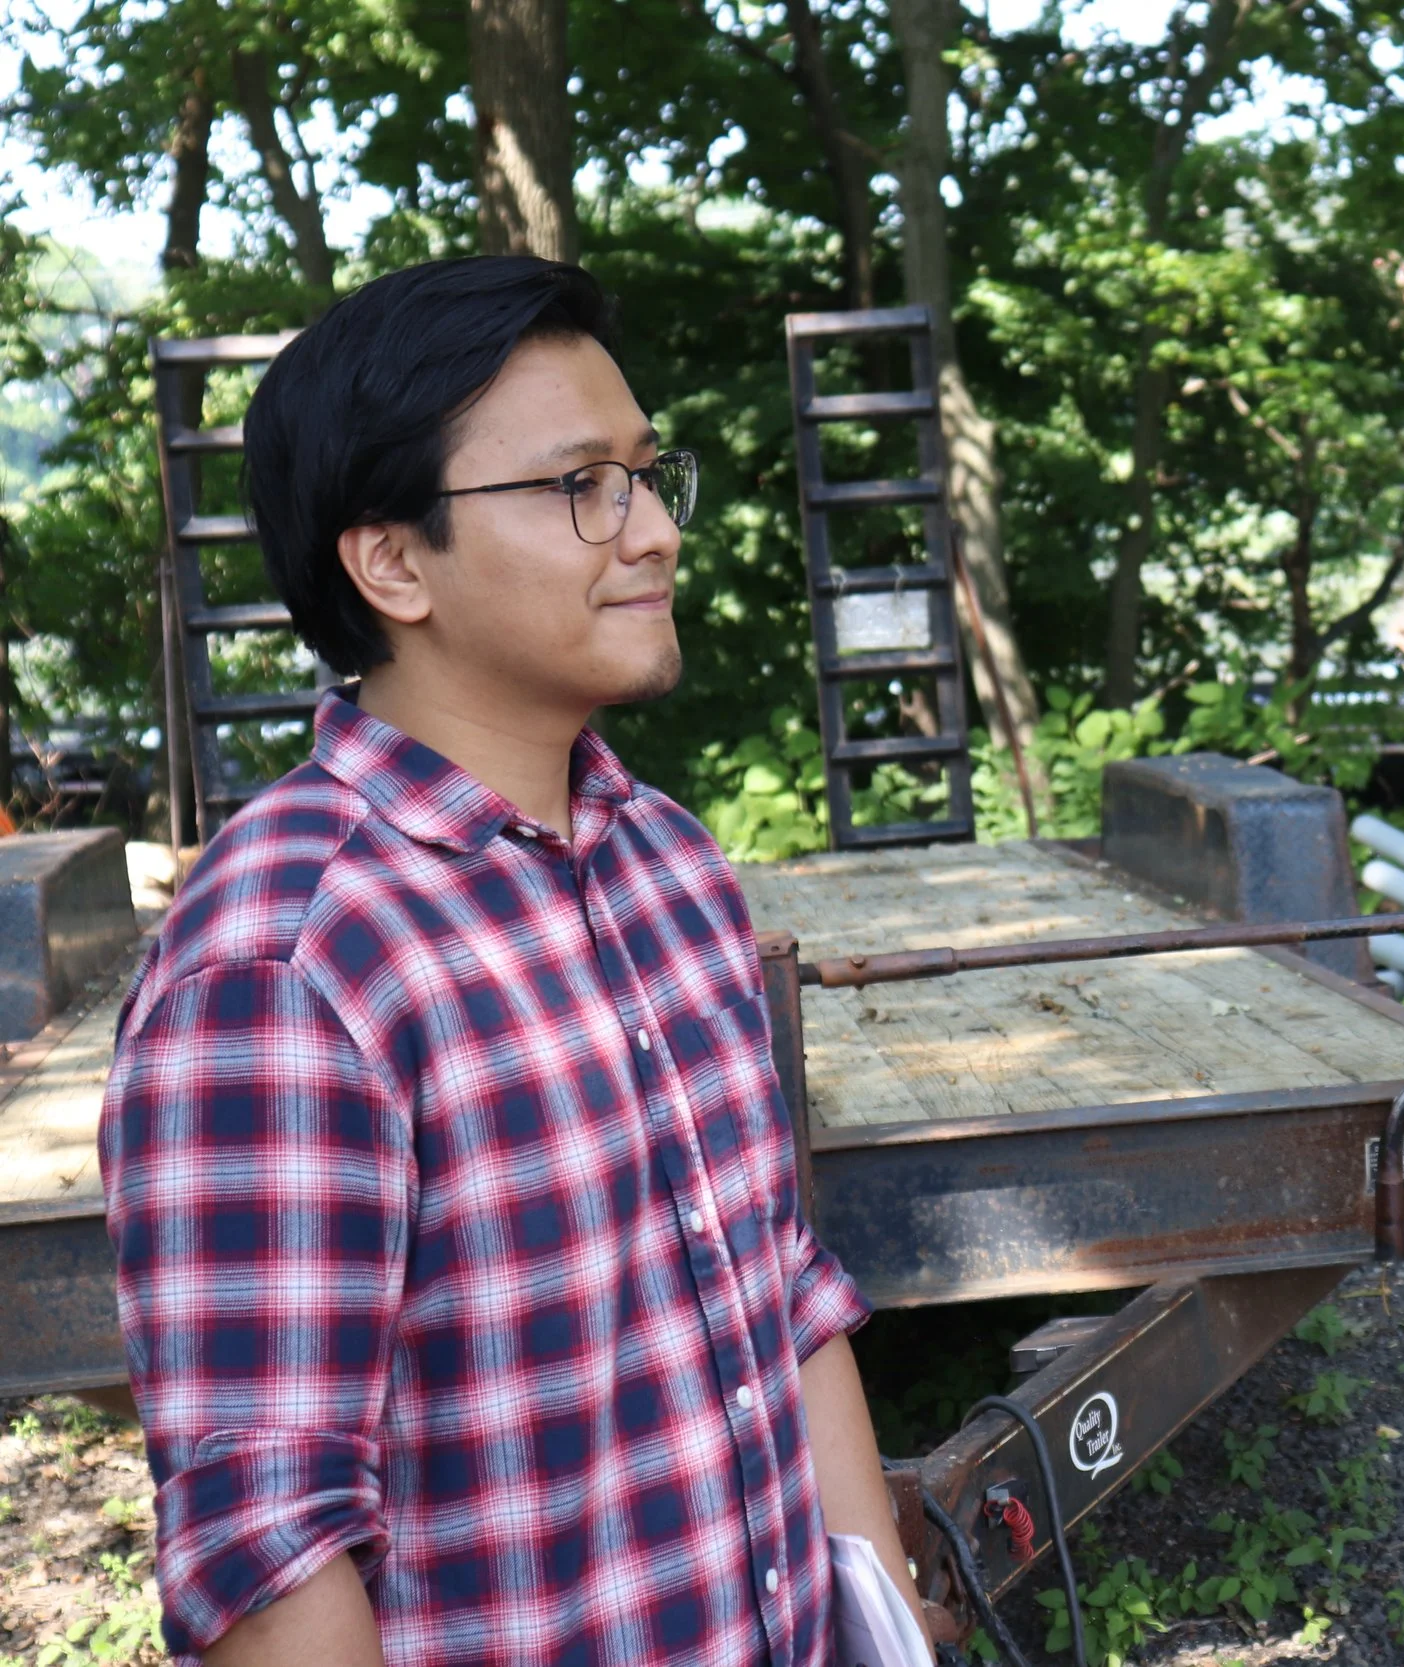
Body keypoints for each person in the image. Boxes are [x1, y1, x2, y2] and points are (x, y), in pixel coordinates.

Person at [100, 256, 926, 1666]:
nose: (655, 530)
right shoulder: (286, 966)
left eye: (653, 476)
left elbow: (785, 1297)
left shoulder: (669, 864)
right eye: (583, 484)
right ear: (394, 560)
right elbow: (269, 1549)